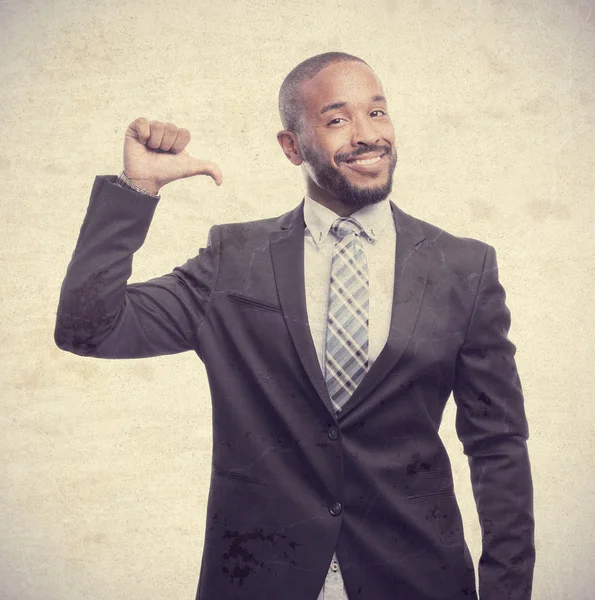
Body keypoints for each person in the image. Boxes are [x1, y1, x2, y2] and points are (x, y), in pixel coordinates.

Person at [54, 52, 535, 600]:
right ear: (291, 146)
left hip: (417, 577)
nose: (367, 135)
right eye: (337, 120)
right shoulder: (233, 259)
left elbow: (498, 445)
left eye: (377, 113)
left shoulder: (464, 268)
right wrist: (136, 191)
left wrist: (507, 591)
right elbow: (87, 329)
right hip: (259, 579)